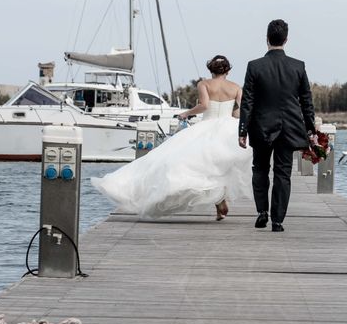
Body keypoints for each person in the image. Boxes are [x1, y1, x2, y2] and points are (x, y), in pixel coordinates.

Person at [92, 55, 252, 220]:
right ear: (228, 70)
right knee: (221, 166)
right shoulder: (236, 87)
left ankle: (219, 202)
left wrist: (186, 113)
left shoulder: (204, 84)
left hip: (207, 126)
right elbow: (242, 109)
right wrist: (235, 117)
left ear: (211, 69)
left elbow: (204, 106)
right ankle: (220, 202)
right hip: (227, 128)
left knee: (195, 164)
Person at [239, 19, 316, 232]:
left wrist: (242, 131)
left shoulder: (254, 66)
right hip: (290, 127)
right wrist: (311, 130)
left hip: (261, 127)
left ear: (266, 39)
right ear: (286, 39)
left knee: (260, 169)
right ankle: (278, 221)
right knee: (283, 173)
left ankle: (262, 211)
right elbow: (306, 101)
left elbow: (247, 101)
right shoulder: (298, 66)